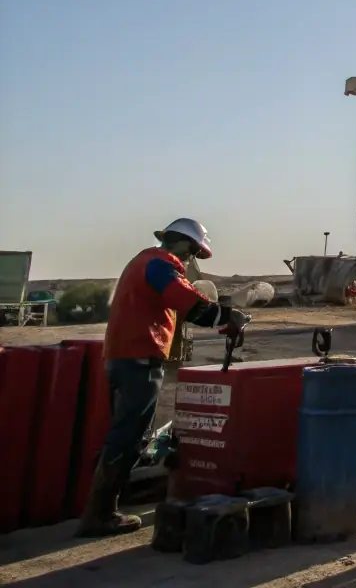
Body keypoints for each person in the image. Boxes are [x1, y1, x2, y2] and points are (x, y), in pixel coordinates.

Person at [80, 219, 248, 537]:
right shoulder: (160, 265)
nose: (191, 259)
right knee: (128, 437)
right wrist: (228, 316)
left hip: (123, 357)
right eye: (194, 251)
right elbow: (193, 306)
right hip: (138, 360)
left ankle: (100, 508)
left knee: (125, 434)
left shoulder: (143, 261)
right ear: (184, 244)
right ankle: (100, 514)